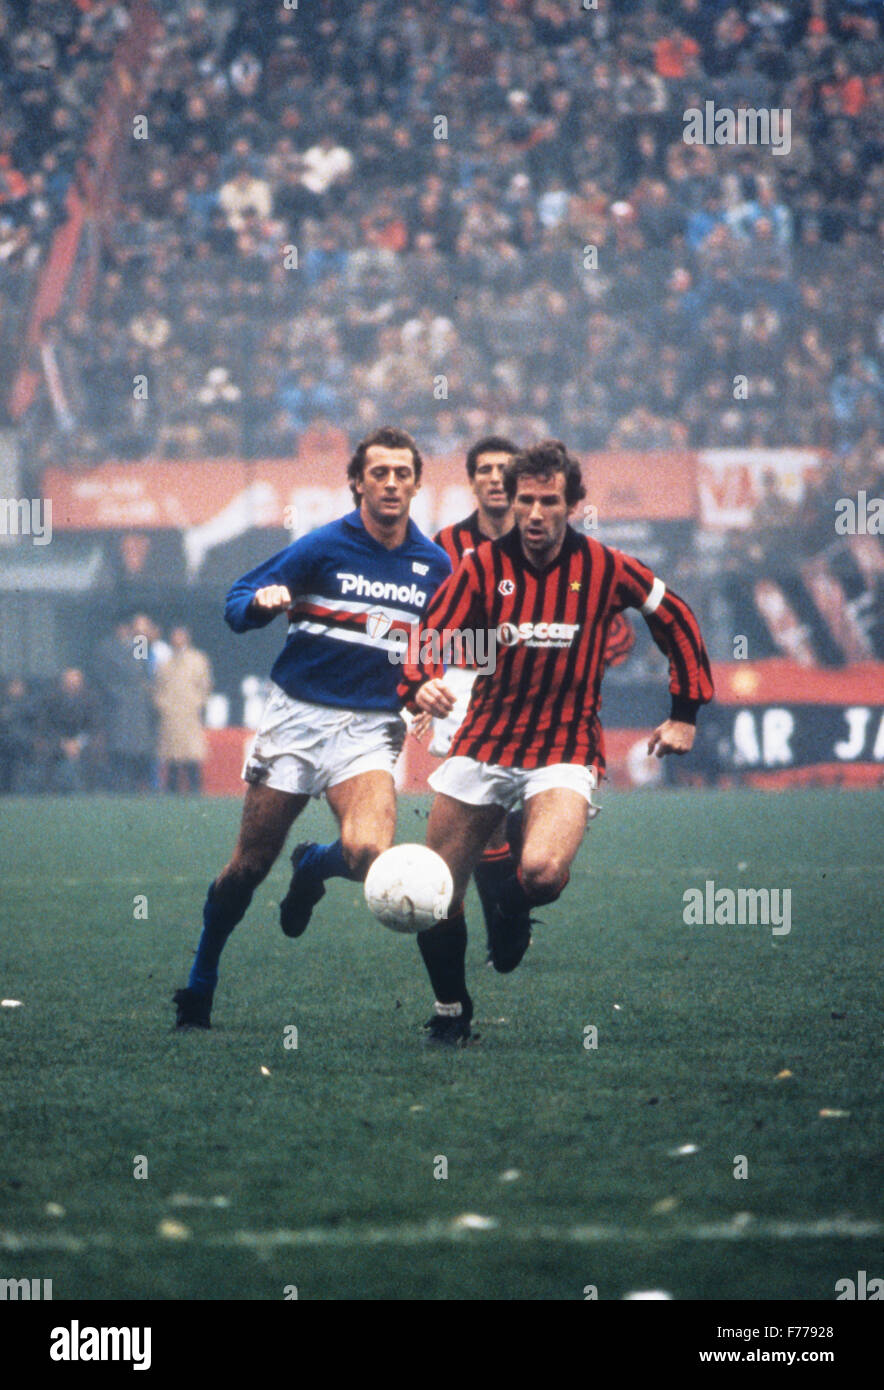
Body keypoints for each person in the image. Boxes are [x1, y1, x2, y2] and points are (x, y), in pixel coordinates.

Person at [398, 440, 713, 1044]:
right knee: (435, 891)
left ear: (574, 504)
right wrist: (419, 684)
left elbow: (672, 612)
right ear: (511, 502)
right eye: (525, 502)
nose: (536, 514)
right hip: (484, 743)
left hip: (565, 749)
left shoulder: (605, 566)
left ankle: (512, 911)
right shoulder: (483, 566)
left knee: (541, 871)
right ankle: (450, 1008)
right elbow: (430, 632)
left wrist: (684, 711)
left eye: (549, 502)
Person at [173, 426, 451, 1029]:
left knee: (368, 854)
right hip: (297, 718)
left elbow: (440, 645)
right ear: (357, 482)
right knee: (248, 867)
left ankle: (312, 867)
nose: (392, 483)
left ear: (416, 484)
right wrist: (261, 604)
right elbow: (236, 599)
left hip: (372, 728)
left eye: (403, 474)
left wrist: (428, 682)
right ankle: (200, 980)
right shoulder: (321, 546)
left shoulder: (435, 566)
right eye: (379, 473)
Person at [427, 435, 636, 955]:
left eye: (505, 470)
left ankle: (509, 907)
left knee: (530, 841)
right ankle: (476, 963)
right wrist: (424, 677)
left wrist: (566, 651)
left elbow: (614, 627)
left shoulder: (583, 564)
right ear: (473, 480)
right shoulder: (447, 547)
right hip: (469, 695)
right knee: (480, 832)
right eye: (486, 470)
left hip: (552, 716)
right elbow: (431, 620)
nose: (496, 479)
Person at [93, 617, 156, 793]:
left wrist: (143, 693)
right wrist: (119, 694)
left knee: (139, 747)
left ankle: (138, 784)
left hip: (138, 706)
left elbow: (145, 672)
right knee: (119, 746)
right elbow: (103, 677)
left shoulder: (139, 644)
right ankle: (119, 784)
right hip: (118, 705)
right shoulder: (106, 648)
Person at [153, 627, 213, 794]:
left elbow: (205, 685)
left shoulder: (198, 659)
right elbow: (158, 687)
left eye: (180, 636)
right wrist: (162, 704)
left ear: (186, 638)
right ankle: (171, 790)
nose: (177, 640)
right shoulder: (164, 662)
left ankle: (195, 789)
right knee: (172, 755)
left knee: (191, 754)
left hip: (190, 713)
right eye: (174, 637)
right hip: (170, 714)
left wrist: (197, 703)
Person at [37, 668, 102, 793]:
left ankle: (89, 790)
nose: (73, 685)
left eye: (76, 682)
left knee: (95, 751)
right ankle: (50, 790)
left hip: (83, 742)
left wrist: (77, 743)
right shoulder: (51, 699)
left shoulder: (91, 700)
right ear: (63, 683)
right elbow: (46, 726)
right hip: (57, 741)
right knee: (47, 751)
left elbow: (94, 726)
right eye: (69, 682)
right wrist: (63, 743)